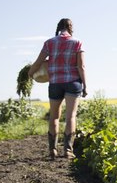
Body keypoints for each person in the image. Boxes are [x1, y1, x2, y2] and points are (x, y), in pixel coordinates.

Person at [29, 18, 87, 159]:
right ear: (70, 28)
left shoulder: (49, 43)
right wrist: (85, 85)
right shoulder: (77, 42)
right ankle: (67, 151)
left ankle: (52, 150)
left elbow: (38, 62)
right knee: (70, 116)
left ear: (58, 27)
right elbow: (81, 66)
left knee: (54, 117)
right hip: (73, 82)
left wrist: (29, 74)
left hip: (55, 83)